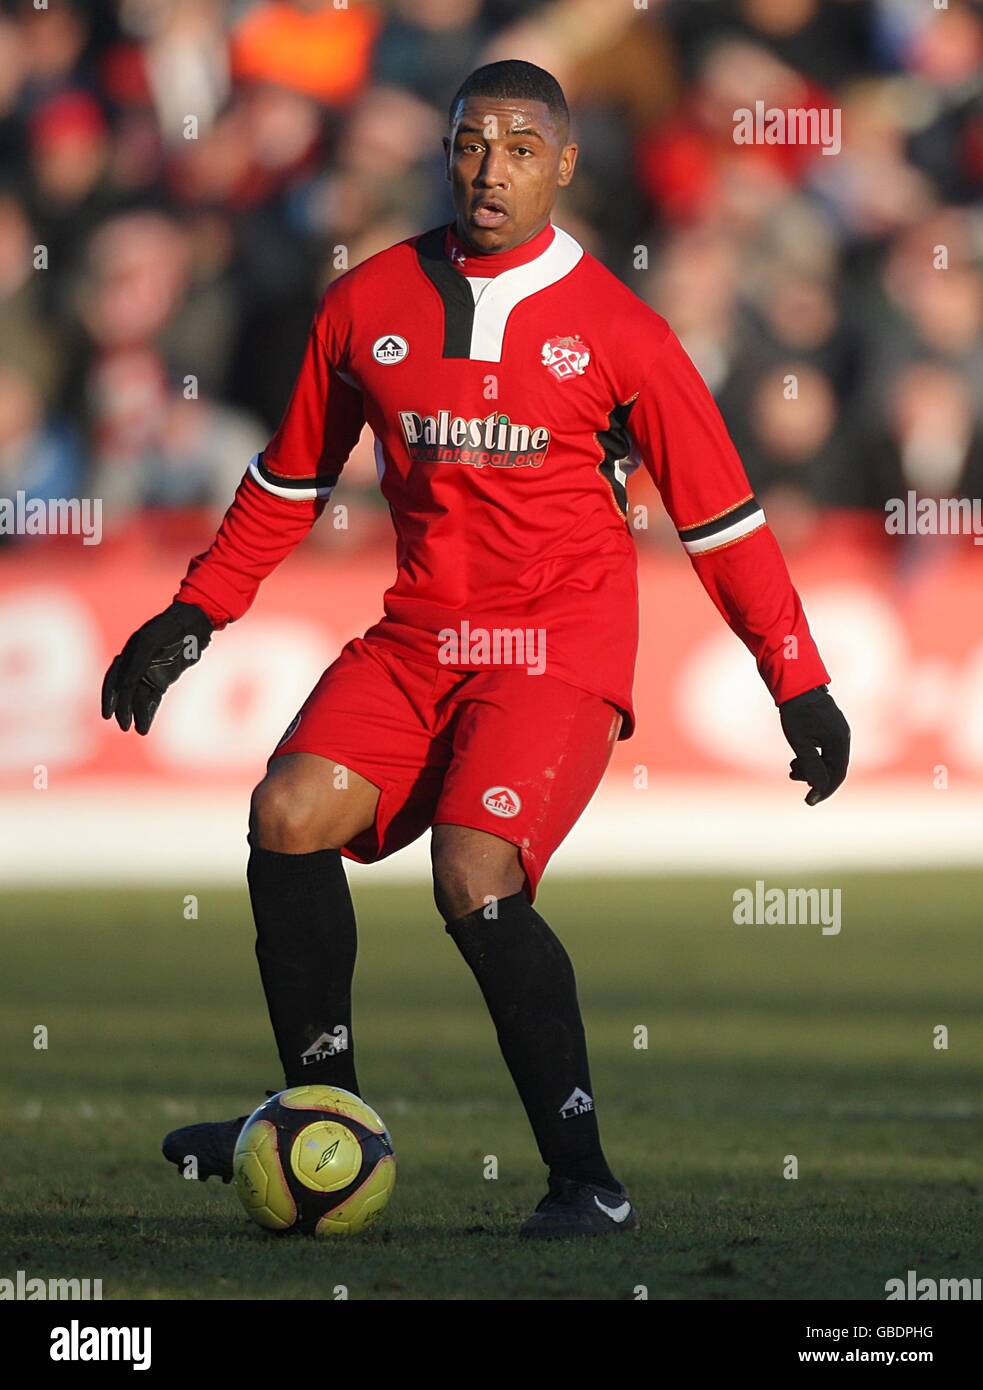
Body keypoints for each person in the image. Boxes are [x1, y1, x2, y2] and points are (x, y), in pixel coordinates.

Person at [102, 60, 850, 1239]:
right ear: (442, 153)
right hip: (417, 638)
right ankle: (317, 1114)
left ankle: (584, 1181)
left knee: (473, 871)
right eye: (466, 144)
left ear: (561, 163)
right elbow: (287, 480)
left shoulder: (622, 331)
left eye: (515, 148)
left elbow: (724, 523)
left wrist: (797, 682)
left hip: (556, 647)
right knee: (286, 811)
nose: (487, 170)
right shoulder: (366, 301)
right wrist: (192, 614)